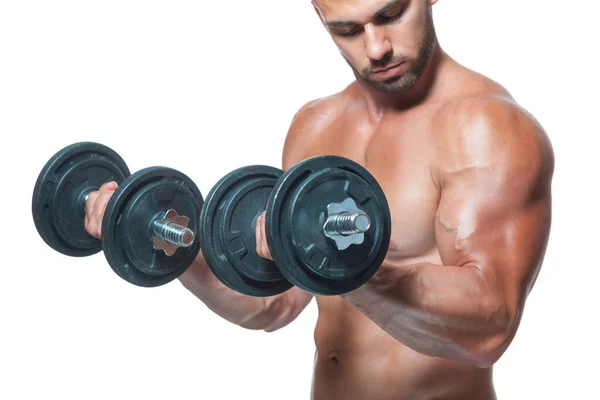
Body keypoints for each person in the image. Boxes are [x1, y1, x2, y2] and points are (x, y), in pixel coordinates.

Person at [84, 0, 554, 398]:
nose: (376, 48)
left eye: (391, 14)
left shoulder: (488, 128)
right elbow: (276, 303)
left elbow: (490, 327)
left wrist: (346, 269)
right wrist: (169, 246)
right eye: (347, 30)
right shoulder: (315, 125)